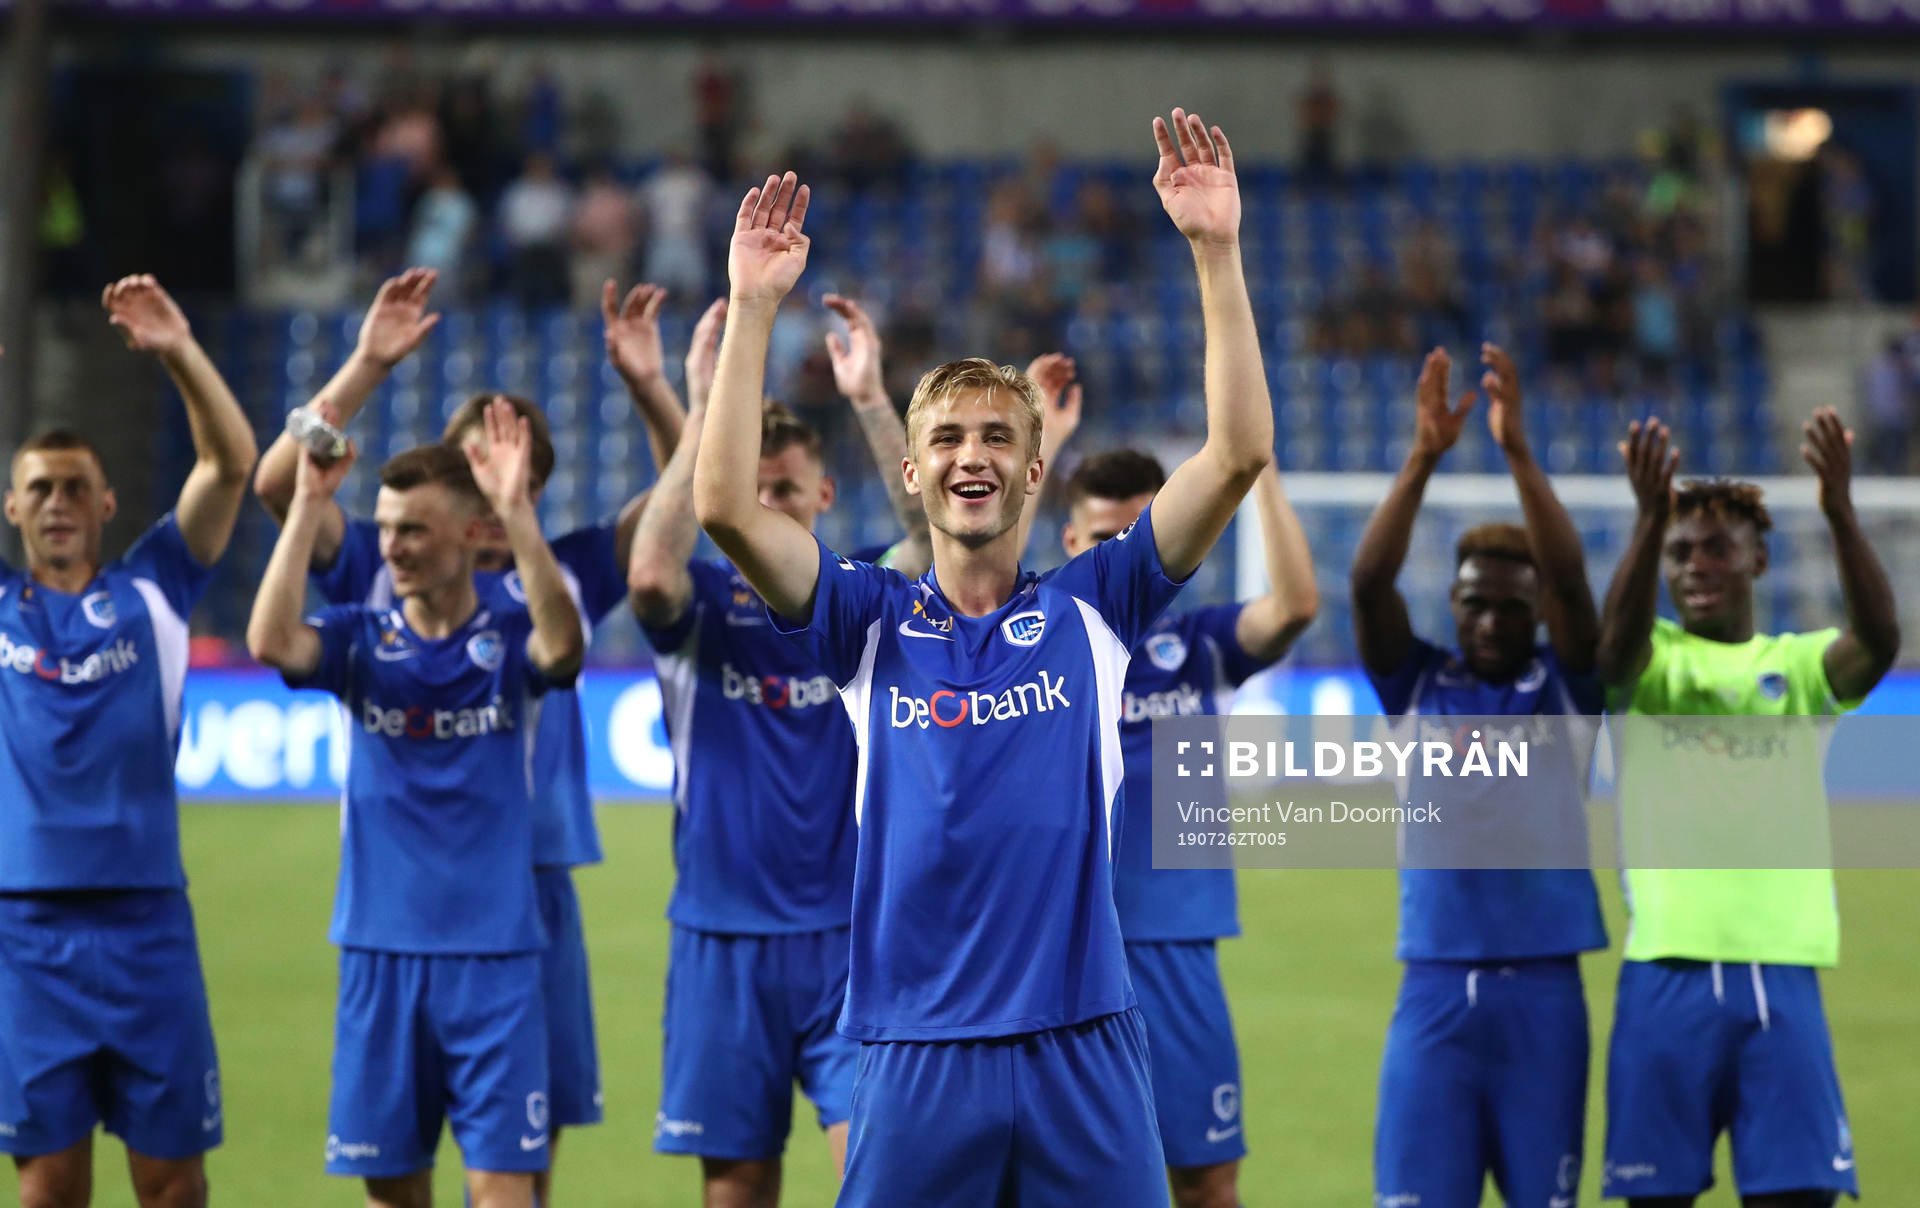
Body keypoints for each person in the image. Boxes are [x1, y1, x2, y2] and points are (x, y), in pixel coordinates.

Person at [690, 106, 1272, 1205]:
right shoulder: (863, 620)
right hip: (914, 1052)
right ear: (910, 474)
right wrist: (758, 306)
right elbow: (723, 506)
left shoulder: (1098, 603)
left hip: (1083, 1044)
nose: (972, 454)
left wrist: (1216, 249)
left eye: (998, 435)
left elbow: (1237, 451)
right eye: (948, 438)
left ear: (1035, 470)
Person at [251, 268, 683, 1207]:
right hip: (405, 883)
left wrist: (651, 387)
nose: (477, 483)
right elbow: (280, 487)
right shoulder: (378, 554)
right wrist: (366, 362)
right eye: (461, 465)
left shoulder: (557, 575)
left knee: (524, 1147)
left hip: (533, 878)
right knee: (402, 1163)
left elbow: (681, 507)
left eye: (499, 469)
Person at [248, 404, 583, 1208]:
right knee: (393, 1191)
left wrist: (517, 514)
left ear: (469, 536)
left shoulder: (506, 639)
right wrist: (305, 504)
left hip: (496, 958)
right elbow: (269, 642)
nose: (392, 546)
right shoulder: (360, 637)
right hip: (379, 949)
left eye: (414, 531)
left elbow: (564, 648)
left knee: (507, 1192)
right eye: (388, 528)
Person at [628, 289, 921, 1204]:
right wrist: (708, 412)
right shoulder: (704, 608)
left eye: (786, 492)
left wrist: (872, 399)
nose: (766, 510)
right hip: (722, 935)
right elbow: (646, 574)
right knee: (736, 1187)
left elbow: (932, 539)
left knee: (873, 1175)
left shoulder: (861, 598)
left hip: (850, 941)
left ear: (823, 496)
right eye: (751, 493)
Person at [1596, 411, 1899, 1208]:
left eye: (1716, 548)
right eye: (1679, 552)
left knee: (1798, 1200)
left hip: (1782, 973)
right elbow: (1610, 655)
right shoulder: (1650, 662)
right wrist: (1646, 520)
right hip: (1665, 971)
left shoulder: (1795, 669)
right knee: (1654, 1200)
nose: (1695, 566)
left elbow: (1879, 640)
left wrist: (1838, 512)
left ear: (1759, 560)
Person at [0, 276, 257, 1208]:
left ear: (109, 505)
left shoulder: (154, 592)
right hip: (24, 933)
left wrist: (182, 351)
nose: (59, 501)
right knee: (49, 1188)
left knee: (172, 1185)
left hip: (147, 926)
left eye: (77, 487)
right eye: (41, 488)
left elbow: (230, 466)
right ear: (12, 509)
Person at [1351, 345, 1609, 1208]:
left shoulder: (1565, 692)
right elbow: (1368, 580)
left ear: (1537, 614)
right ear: (1453, 606)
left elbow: (1574, 580)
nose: (1492, 618)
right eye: (1474, 602)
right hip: (1430, 993)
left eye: (1511, 604)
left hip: (1545, 997)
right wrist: (1423, 457)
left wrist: (1519, 454)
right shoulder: (1418, 684)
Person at [1058, 447, 1318, 1208]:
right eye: (1106, 537)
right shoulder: (1038, 642)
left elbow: (1296, 605)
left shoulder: (1198, 647)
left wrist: (1261, 471)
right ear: (1072, 545)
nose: (1125, 553)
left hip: (1175, 946)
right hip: (1065, 953)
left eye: (1142, 532)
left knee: (1206, 1182)